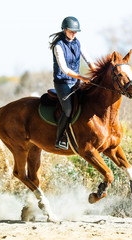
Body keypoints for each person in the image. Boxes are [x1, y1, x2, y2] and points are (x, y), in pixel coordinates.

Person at [49, 16, 96, 150]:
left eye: (76, 32)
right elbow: (64, 69)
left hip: (75, 82)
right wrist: (82, 77)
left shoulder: (78, 43)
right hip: (62, 83)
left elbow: (89, 60)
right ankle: (59, 139)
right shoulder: (58, 46)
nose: (74, 34)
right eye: (71, 31)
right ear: (64, 30)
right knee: (68, 110)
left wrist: (98, 72)